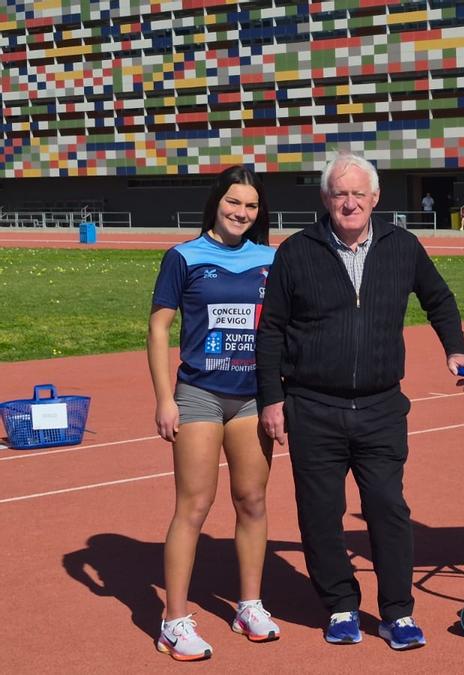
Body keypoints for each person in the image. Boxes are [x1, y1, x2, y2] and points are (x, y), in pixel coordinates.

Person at [255, 152, 464, 651]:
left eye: (359, 193)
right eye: (340, 193)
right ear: (325, 199)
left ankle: (397, 612)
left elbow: (437, 298)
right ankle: (339, 606)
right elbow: (270, 330)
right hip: (312, 406)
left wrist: (455, 347)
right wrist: (272, 399)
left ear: (375, 198)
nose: (350, 202)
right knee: (319, 512)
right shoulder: (296, 252)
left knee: (386, 508)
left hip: (380, 407)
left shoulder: (403, 246)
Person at [147, 166, 280, 661]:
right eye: (233, 203)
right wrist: (164, 398)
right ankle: (173, 621)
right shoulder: (183, 257)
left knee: (252, 501)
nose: (241, 213)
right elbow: (159, 328)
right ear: (216, 203)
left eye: (250, 206)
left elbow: (284, 329)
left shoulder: (271, 259)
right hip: (199, 393)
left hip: (252, 398)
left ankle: (249, 605)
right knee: (195, 506)